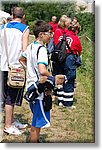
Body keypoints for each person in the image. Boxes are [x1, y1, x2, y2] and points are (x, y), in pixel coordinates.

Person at [19, 20, 65, 143]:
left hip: (32, 87)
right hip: (39, 90)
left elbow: (21, 59)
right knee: (36, 123)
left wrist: (30, 72)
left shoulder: (31, 46)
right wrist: (53, 78)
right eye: (49, 33)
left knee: (37, 119)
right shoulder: (42, 50)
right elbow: (43, 70)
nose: (51, 35)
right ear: (41, 34)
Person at [0, 7, 29, 135]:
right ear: (23, 16)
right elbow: (25, 51)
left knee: (6, 95)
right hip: (16, 67)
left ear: (12, 15)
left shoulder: (2, 27)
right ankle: (8, 126)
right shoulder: (24, 29)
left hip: (3, 65)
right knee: (11, 98)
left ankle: (11, 120)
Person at [52, 15, 72, 106]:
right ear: (65, 23)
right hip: (60, 57)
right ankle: (59, 97)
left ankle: (61, 97)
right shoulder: (58, 31)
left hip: (63, 57)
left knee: (62, 77)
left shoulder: (64, 31)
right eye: (68, 22)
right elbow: (57, 45)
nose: (70, 24)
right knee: (59, 77)